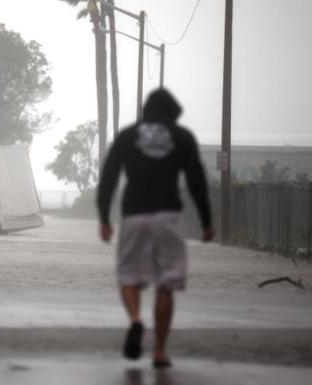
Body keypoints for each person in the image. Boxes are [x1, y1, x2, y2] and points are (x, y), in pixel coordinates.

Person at [96, 88, 214, 369]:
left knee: (128, 277)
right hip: (168, 216)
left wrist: (103, 217)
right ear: (172, 112)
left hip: (135, 215)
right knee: (166, 284)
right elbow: (196, 180)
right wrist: (207, 220)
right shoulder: (182, 137)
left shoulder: (127, 135)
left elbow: (109, 176)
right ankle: (160, 352)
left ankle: (136, 320)